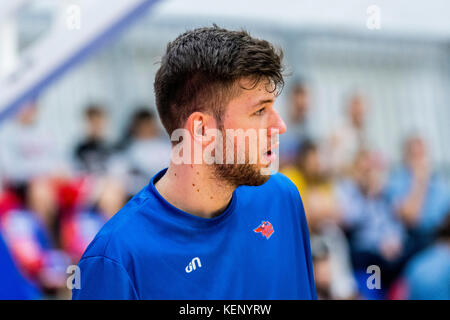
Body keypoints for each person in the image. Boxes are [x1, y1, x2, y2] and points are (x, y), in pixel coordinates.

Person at [72, 26, 316, 300]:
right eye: (260, 110)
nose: (279, 126)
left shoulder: (281, 198)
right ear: (201, 130)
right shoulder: (115, 259)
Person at [73, 104, 112, 175]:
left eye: (98, 123)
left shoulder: (113, 149)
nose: (95, 127)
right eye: (92, 123)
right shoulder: (79, 150)